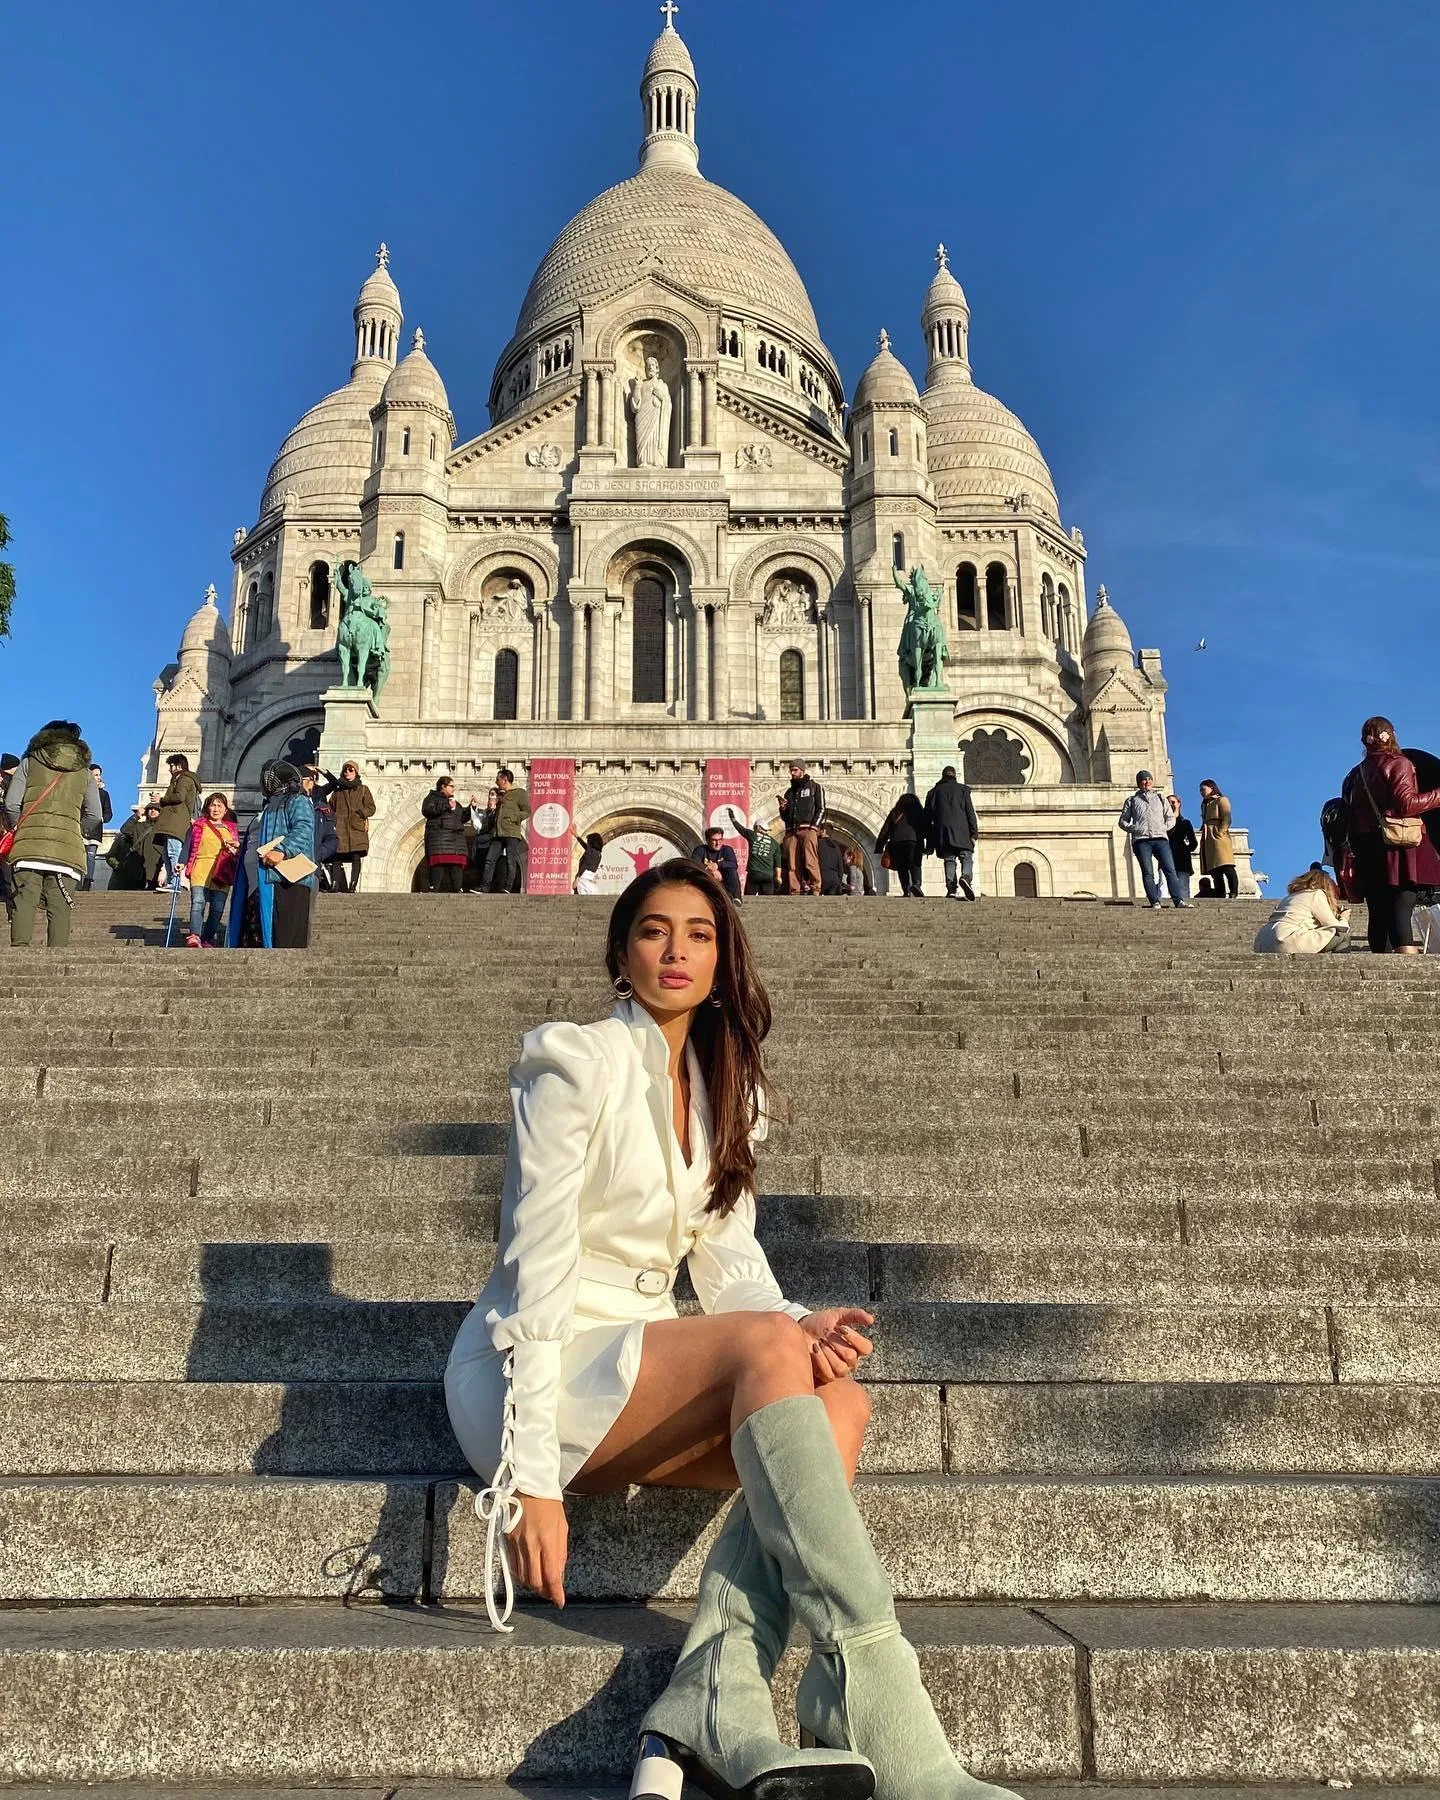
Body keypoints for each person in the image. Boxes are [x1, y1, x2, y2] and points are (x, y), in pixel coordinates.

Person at [444, 862, 1015, 1800]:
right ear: (620, 952)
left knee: (844, 1407)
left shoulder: (725, 1089)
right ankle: (891, 1715)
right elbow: (533, 1270)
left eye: (700, 934)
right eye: (654, 931)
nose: (677, 952)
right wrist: (531, 1475)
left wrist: (801, 1324)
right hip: (528, 1370)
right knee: (763, 1353)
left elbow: (730, 1268)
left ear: (724, 957)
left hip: (647, 1361)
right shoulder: (571, 1061)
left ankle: (719, 1686)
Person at [1341, 716, 1440, 955]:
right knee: (1401, 903)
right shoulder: (1399, 763)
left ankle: (1381, 961)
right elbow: (1406, 804)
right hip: (1398, 844)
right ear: (1391, 735)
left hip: (1367, 847)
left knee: (1377, 909)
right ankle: (1405, 960)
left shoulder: (1357, 773)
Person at [4, 721, 103, 949]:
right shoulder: (85, 772)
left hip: (29, 846)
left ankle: (19, 951)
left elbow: (11, 805)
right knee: (60, 907)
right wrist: (75, 829)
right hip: (67, 849)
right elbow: (95, 815)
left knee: (24, 901)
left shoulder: (29, 762)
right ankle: (57, 956)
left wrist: (21, 827)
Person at [227, 761, 317, 949]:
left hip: (284, 880)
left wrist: (283, 850)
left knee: (281, 937)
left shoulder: (297, 800)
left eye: (268, 776)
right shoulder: (267, 808)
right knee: (252, 936)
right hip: (256, 881)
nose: (264, 781)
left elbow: (304, 829)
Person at [1118, 771, 1190, 909]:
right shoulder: (1132, 800)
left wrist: (1164, 828)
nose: (1146, 782)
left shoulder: (1160, 798)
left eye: (1148, 779)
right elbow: (1122, 821)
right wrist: (1135, 828)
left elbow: (1170, 817)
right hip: (1141, 840)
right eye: (1143, 780)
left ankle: (1178, 900)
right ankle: (1154, 901)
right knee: (1148, 872)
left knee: (1170, 870)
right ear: (1139, 783)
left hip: (1160, 839)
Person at [182, 793, 239, 948]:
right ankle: (195, 935)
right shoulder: (199, 825)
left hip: (222, 870)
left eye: (220, 805)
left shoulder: (231, 829)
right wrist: (182, 862)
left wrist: (235, 848)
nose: (216, 809)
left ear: (225, 809)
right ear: (207, 807)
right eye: (213, 805)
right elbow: (188, 844)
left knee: (217, 907)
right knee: (198, 902)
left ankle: (207, 938)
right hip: (201, 867)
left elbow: (237, 853)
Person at [1253, 867, 1350, 955]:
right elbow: (1334, 925)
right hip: (1286, 940)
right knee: (1342, 935)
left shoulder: (1289, 897)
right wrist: (1344, 918)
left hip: (1262, 942)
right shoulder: (1316, 894)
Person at [923, 764, 980, 901]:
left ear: (943, 776)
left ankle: (951, 889)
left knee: (949, 860)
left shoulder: (933, 793)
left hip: (942, 832)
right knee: (966, 856)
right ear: (955, 776)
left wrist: (930, 845)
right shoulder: (963, 790)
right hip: (962, 830)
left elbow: (927, 820)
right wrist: (974, 833)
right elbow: (970, 812)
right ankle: (965, 877)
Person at [152, 754, 201, 890]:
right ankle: (172, 882)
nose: (170, 769)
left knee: (173, 851)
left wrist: (161, 800)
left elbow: (179, 796)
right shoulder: (179, 779)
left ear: (179, 766)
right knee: (168, 852)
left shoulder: (184, 779)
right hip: (172, 821)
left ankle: (176, 882)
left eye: (172, 766)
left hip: (176, 820)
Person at [328, 762, 376, 893]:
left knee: (356, 856)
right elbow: (330, 807)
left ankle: (352, 885)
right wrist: (333, 820)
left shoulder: (363, 789)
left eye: (351, 770)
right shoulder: (337, 791)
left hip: (356, 828)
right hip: (340, 827)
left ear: (356, 772)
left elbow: (371, 808)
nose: (348, 772)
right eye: (346, 770)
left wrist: (361, 813)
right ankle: (334, 885)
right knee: (336, 857)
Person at [778, 761, 824, 895]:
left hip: (807, 829)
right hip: (791, 831)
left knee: (811, 860)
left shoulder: (814, 787)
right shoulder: (789, 792)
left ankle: (816, 888)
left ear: (802, 770)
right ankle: (795, 890)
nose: (792, 773)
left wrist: (814, 827)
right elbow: (785, 817)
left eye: (795, 770)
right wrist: (783, 809)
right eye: (791, 770)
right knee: (792, 864)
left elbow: (821, 808)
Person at [483, 767, 531, 893]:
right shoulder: (500, 794)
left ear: (504, 779)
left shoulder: (519, 793)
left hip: (511, 832)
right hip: (497, 832)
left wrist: (514, 818)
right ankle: (485, 886)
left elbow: (527, 811)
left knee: (511, 859)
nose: (496, 782)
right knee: (490, 859)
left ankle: (507, 887)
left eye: (498, 779)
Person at [422, 777, 470, 893]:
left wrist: (470, 808)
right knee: (438, 863)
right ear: (443, 786)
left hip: (455, 839)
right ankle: (434, 887)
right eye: (451, 786)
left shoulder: (454, 802)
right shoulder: (432, 798)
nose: (453, 789)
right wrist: (447, 806)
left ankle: (458, 888)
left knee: (456, 864)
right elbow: (428, 810)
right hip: (439, 837)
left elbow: (461, 817)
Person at [875, 791, 926, 898]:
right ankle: (916, 884)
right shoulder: (919, 813)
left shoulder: (895, 812)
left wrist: (879, 846)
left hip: (897, 842)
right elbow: (926, 828)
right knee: (915, 864)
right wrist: (930, 844)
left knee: (902, 867)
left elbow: (885, 829)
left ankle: (906, 890)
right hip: (914, 841)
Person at [1198, 779, 1238, 899]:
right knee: (1215, 870)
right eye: (1200, 790)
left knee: (1227, 866)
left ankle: (1233, 892)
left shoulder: (1221, 800)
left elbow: (1227, 817)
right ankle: (1220, 895)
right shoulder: (1205, 804)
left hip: (1218, 836)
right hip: (1208, 837)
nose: (1201, 792)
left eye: (1203, 789)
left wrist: (1220, 832)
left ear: (1211, 788)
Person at [301, 770, 341, 890]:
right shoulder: (289, 803)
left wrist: (323, 771)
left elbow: (334, 783)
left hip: (320, 823)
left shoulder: (320, 791)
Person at [727, 809, 780, 897]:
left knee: (749, 898)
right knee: (768, 900)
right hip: (768, 875)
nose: (754, 829)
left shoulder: (752, 835)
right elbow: (778, 864)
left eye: (755, 828)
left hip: (754, 873)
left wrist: (732, 817)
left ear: (758, 827)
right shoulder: (775, 843)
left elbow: (739, 828)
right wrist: (778, 877)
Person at [80, 763, 113, 892]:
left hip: (95, 830)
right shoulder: (81, 792)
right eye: (96, 774)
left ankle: (88, 881)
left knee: (90, 856)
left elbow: (108, 813)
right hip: (80, 828)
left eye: (99, 775)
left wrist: (101, 819)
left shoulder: (104, 794)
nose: (98, 777)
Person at [693, 825, 742, 901]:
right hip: (707, 879)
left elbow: (733, 864)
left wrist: (717, 865)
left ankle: (735, 898)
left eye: (720, 839)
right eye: (714, 840)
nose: (718, 843)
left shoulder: (727, 850)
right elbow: (694, 864)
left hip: (724, 880)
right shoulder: (700, 850)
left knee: (732, 871)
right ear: (707, 840)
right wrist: (711, 871)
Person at [1166, 793, 1199, 903]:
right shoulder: (1161, 822)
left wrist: (1185, 850)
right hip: (1166, 855)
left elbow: (1193, 842)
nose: (1171, 805)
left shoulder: (1185, 823)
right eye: (1168, 802)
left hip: (1182, 857)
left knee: (1183, 886)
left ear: (1179, 804)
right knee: (1164, 886)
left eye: (1173, 802)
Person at [469, 786, 500, 890]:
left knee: (493, 865)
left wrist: (494, 811)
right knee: (483, 865)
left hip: (495, 842)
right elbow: (478, 825)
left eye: (493, 794)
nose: (490, 797)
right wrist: (474, 807)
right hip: (484, 843)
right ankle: (484, 885)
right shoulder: (486, 812)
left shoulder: (501, 810)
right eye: (489, 795)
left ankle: (492, 886)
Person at [817, 825, 848, 896]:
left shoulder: (818, 843)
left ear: (823, 831)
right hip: (834, 879)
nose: (817, 832)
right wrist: (839, 882)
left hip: (822, 877)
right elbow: (840, 868)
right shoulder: (836, 847)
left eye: (819, 830)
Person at [573, 830, 604, 896]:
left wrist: (577, 878)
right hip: (589, 880)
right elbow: (586, 847)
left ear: (591, 843)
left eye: (588, 842)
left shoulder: (590, 852)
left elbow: (585, 865)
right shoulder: (599, 855)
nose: (587, 844)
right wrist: (577, 836)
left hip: (582, 879)